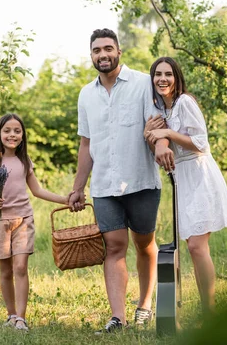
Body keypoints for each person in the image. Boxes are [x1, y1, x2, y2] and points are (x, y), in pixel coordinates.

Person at [68, 28, 174, 334]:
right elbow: (86, 144)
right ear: (91, 55)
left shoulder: (143, 83)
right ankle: (118, 317)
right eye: (97, 50)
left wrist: (162, 147)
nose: (103, 54)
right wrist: (78, 187)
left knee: (145, 244)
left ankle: (144, 304)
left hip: (140, 181)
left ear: (119, 52)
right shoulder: (86, 94)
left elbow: (156, 128)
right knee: (114, 247)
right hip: (104, 186)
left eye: (108, 49)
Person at [144, 56, 227, 315]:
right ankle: (207, 310)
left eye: (168, 74)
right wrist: (150, 136)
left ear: (176, 78)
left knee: (196, 245)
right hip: (183, 179)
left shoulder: (185, 102)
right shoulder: (163, 110)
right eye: (158, 74)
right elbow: (160, 154)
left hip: (200, 174)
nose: (163, 79)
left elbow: (201, 143)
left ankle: (210, 312)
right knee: (193, 247)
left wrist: (168, 134)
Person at [0, 113, 72, 332]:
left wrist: (64, 200)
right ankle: (10, 314)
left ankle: (21, 318)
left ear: (22, 135)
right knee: (5, 271)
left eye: (17, 131)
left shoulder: (24, 161)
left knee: (20, 267)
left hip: (23, 219)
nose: (12, 135)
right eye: (7, 130)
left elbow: (37, 191)